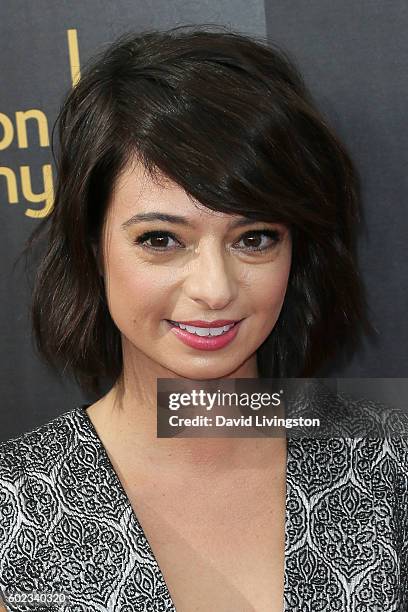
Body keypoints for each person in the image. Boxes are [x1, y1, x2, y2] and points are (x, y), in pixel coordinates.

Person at [0, 25, 406, 612]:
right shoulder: (15, 506)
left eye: (256, 238)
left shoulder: (386, 463)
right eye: (162, 239)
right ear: (93, 246)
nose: (215, 290)